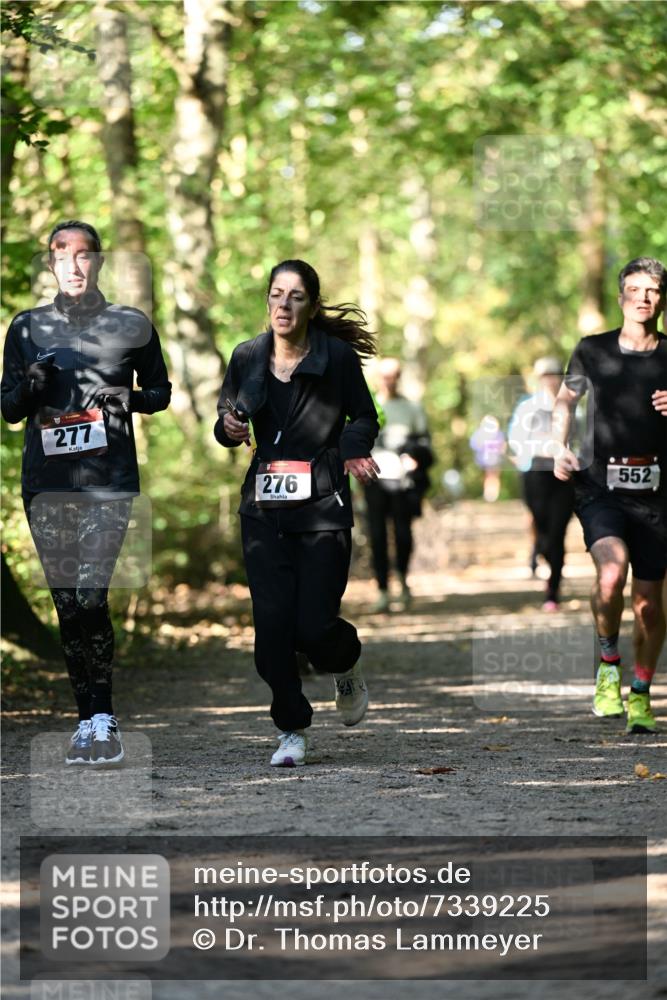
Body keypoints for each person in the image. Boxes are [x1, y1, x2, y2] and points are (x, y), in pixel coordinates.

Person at [1, 220, 171, 765]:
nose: (73, 265)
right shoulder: (26, 328)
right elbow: (7, 410)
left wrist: (130, 398)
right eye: (61, 254)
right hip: (47, 486)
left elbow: (162, 391)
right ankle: (86, 721)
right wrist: (29, 386)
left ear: (99, 262)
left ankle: (104, 716)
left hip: (108, 482)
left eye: (84, 255)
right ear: (49, 262)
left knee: (92, 594)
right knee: (68, 605)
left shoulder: (130, 323)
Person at [214, 259, 379, 768]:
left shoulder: (336, 358)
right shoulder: (246, 357)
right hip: (263, 510)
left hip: (323, 507)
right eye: (276, 294)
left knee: (314, 627)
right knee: (271, 633)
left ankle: (345, 661)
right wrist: (231, 428)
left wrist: (352, 449)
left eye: (296, 297)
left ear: (311, 305)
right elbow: (225, 423)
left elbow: (365, 415)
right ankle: (292, 728)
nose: (284, 305)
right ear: (267, 300)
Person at [552, 256, 667, 733]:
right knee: (611, 571)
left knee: (649, 604)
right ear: (621, 296)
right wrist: (557, 445)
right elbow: (565, 400)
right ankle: (607, 664)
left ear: (662, 299)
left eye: (654, 290)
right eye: (636, 288)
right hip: (600, 484)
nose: (644, 297)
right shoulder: (592, 350)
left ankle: (640, 692)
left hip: (659, 494)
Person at [364, 357, 433, 613]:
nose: (388, 381)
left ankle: (403, 579)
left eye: (393, 375)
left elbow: (425, 444)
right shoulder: (367, 404)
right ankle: (383, 589)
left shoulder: (412, 408)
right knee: (377, 535)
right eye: (384, 376)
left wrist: (414, 456)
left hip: (403, 482)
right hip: (373, 480)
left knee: (403, 534)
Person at [508, 357, 575, 610]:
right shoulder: (527, 407)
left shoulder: (573, 406)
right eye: (545, 374)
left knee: (558, 533)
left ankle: (552, 591)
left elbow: (583, 440)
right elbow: (516, 440)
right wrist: (546, 446)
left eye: (555, 373)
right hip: (536, 473)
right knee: (544, 533)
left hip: (564, 475)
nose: (551, 378)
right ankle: (542, 553)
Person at [469, 414, 505, 502]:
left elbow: (502, 446)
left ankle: (492, 494)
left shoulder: (497, 434)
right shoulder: (481, 433)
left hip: (494, 459)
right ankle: (490, 494)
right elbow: (474, 444)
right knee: (490, 476)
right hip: (487, 459)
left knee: (492, 476)